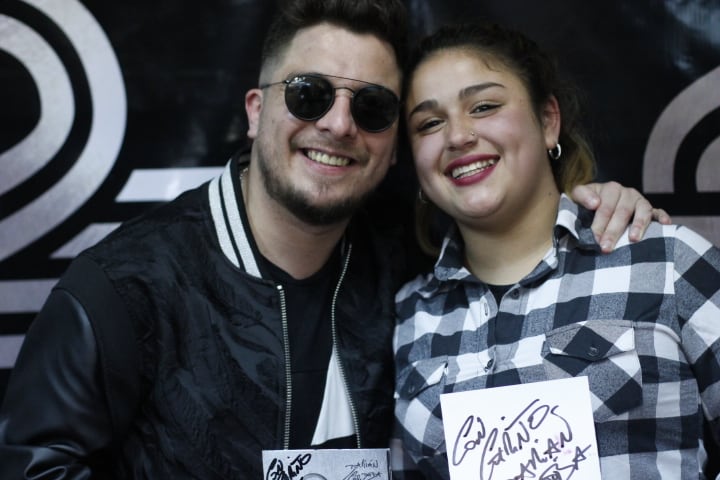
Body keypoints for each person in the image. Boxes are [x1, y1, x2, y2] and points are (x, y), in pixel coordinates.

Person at [0, 1, 666, 478]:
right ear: (257, 111)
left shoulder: (413, 269)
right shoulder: (123, 287)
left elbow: (515, 225)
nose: (340, 124)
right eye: (309, 94)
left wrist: (597, 205)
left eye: (373, 106)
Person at [392, 20, 720, 480]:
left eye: (483, 106)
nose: (458, 136)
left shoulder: (666, 262)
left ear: (548, 121)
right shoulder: (409, 315)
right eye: (429, 123)